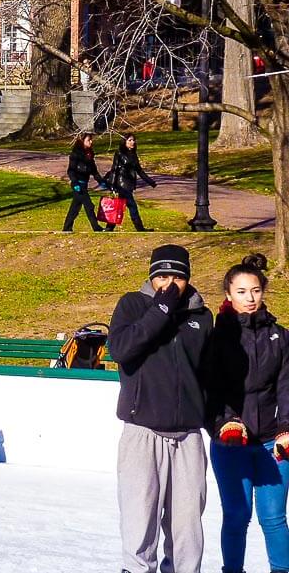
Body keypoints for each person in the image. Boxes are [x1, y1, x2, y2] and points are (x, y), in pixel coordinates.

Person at [109, 244, 213, 573]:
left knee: (187, 530)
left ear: (188, 280)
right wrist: (160, 311)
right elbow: (121, 350)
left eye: (178, 277)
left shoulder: (201, 317)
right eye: (162, 276)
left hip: (187, 438)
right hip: (142, 433)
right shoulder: (132, 304)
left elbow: (210, 374)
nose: (169, 284)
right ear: (152, 277)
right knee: (140, 521)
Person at [203, 253, 289, 573]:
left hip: (272, 443)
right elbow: (210, 389)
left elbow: (286, 387)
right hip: (231, 443)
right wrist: (226, 422)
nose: (249, 298)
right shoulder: (217, 338)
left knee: (274, 519)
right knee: (237, 516)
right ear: (228, 294)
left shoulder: (280, 336)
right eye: (241, 291)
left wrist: (286, 427)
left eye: (255, 290)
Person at [106, 133, 158, 232]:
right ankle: (140, 228)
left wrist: (150, 182)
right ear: (124, 142)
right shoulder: (119, 153)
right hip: (121, 184)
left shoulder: (133, 154)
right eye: (129, 140)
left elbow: (139, 170)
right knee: (132, 206)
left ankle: (109, 227)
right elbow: (114, 169)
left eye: (133, 140)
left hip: (129, 184)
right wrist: (112, 186)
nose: (132, 142)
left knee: (119, 207)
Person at [63, 131, 109, 232]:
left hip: (84, 184)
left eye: (91, 140)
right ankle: (96, 228)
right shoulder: (75, 154)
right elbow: (71, 170)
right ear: (82, 141)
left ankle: (66, 228)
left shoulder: (89, 154)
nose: (91, 142)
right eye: (89, 140)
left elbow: (94, 171)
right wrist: (75, 183)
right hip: (78, 184)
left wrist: (101, 181)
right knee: (89, 206)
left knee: (75, 208)